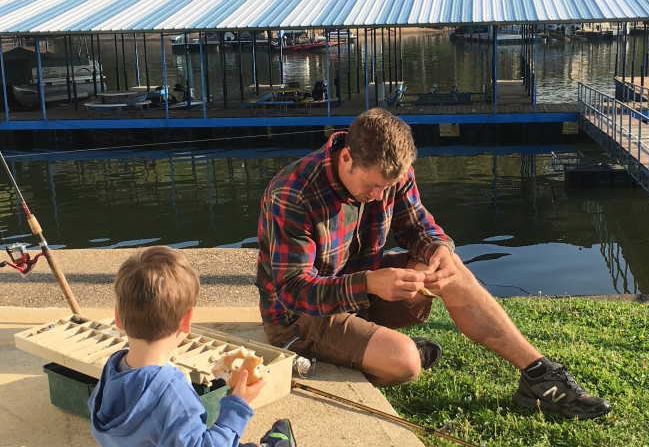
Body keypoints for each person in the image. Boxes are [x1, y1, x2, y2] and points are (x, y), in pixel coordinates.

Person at [256, 109, 611, 420]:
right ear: (347, 157)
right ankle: (379, 350)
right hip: (298, 319)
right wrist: (368, 283)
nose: (380, 196)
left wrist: (439, 249)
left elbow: (417, 226)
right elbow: (292, 291)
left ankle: (538, 374)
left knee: (450, 267)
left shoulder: (392, 173)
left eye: (388, 186)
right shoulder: (292, 195)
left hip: (359, 293)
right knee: (405, 363)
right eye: (373, 186)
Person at [89, 246, 398, 447]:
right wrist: (239, 405)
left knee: (189, 443)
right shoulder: (170, 391)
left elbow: (147, 433)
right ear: (187, 323)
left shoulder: (113, 368)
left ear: (118, 317)